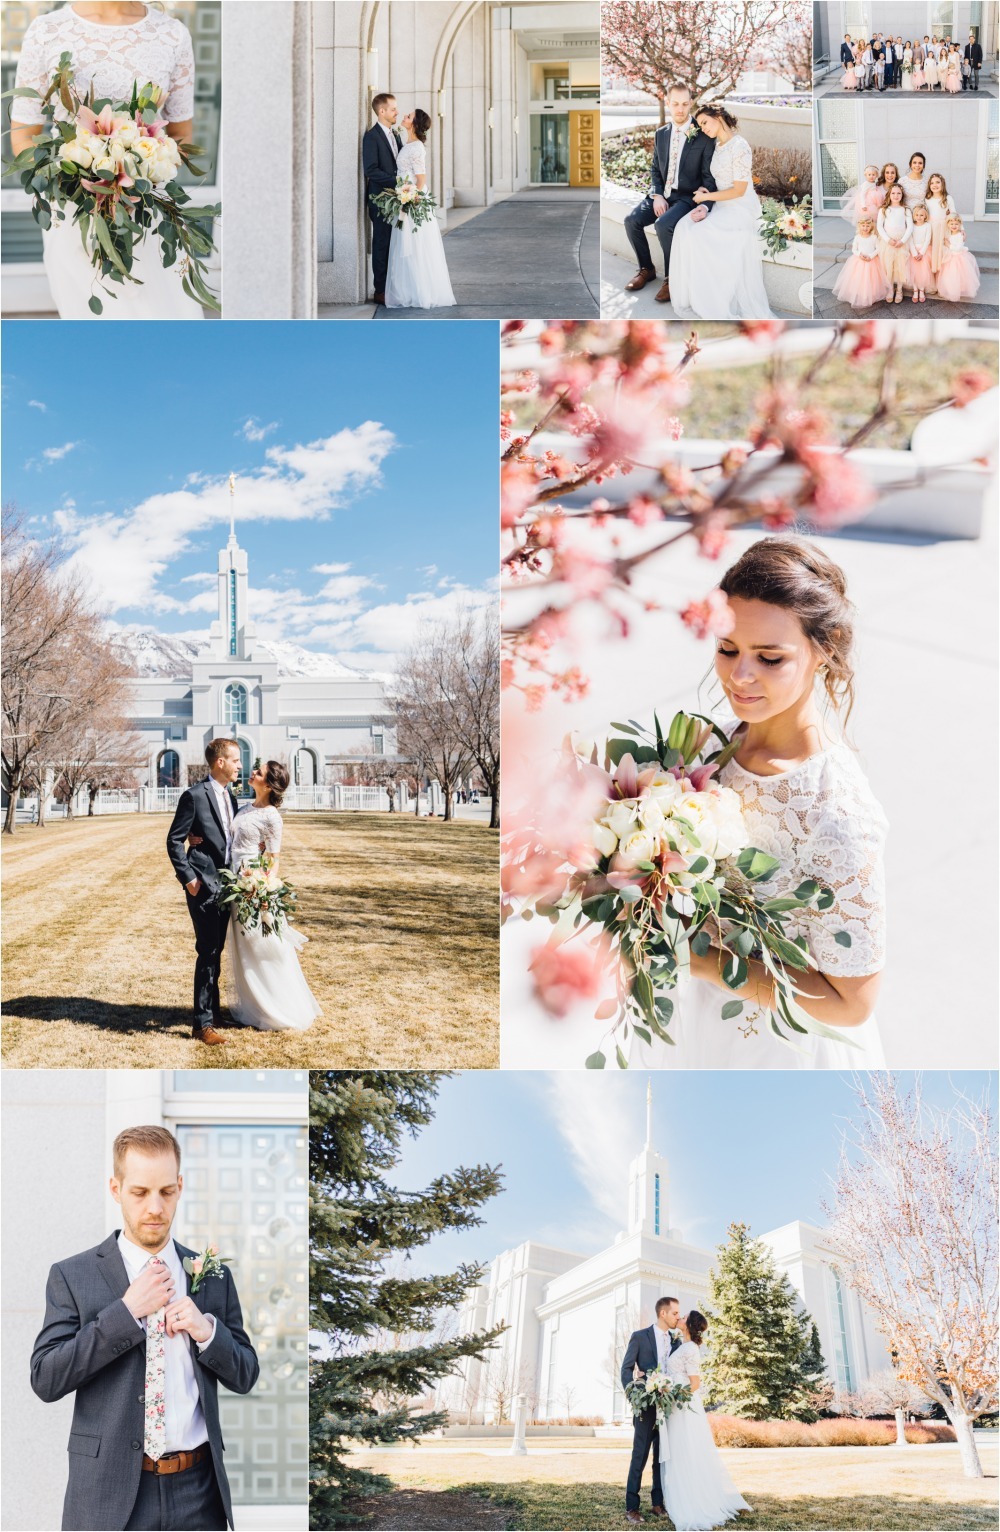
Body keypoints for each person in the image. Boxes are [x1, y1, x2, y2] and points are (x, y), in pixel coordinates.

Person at [631, 538, 888, 1071]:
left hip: (772, 1049)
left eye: (770, 658)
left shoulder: (838, 812)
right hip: (682, 1018)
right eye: (727, 650)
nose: (739, 676)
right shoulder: (704, 746)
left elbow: (853, 1004)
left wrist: (707, 962)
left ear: (827, 647)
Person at [30, 1125, 258, 1531]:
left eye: (166, 1192)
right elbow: (46, 1378)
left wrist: (207, 1332)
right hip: (109, 1495)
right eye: (139, 1192)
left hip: (198, 1493)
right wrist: (126, 1312)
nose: (155, 1207)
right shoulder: (72, 1275)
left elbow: (245, 1374)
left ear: (180, 1187)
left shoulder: (212, 1276)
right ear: (116, 1189)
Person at [9, 1, 203, 320]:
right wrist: (81, 183)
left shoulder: (172, 34)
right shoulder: (47, 31)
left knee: (167, 317)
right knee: (93, 324)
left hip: (148, 211)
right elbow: (23, 138)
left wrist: (137, 175)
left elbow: (181, 137)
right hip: (77, 212)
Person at [220, 760, 322, 1031]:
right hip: (236, 883)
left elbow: (274, 857)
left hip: (254, 886)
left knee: (263, 946)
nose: (252, 772)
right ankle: (254, 1005)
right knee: (244, 947)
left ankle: (278, 1007)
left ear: (268, 784)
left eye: (259, 772)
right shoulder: (244, 808)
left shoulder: (272, 816)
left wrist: (262, 886)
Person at [166, 739, 242, 1046]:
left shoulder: (230, 796)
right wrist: (189, 879)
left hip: (227, 886)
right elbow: (174, 841)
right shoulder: (194, 796)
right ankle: (202, 1024)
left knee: (216, 950)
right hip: (203, 886)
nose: (240, 765)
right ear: (220, 762)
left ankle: (214, 1012)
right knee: (207, 951)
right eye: (235, 760)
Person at [666, 104, 772, 320]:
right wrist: (706, 193)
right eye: (700, 124)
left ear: (719, 117)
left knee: (700, 235)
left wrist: (705, 198)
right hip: (721, 202)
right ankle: (694, 296)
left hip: (740, 207)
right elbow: (718, 182)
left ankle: (714, 299)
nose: (702, 128)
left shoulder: (740, 146)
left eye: (705, 122)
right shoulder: (716, 145)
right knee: (684, 227)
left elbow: (740, 190)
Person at [622, 80, 717, 301]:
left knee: (663, 225)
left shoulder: (702, 136)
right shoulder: (661, 133)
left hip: (686, 197)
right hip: (662, 194)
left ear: (691, 103)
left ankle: (671, 279)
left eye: (685, 104)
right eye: (675, 104)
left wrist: (705, 202)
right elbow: (655, 168)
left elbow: (709, 177)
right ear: (667, 102)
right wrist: (656, 195)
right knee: (631, 220)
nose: (680, 109)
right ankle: (646, 269)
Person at [661, 1312, 753, 1531]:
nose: (679, 1318)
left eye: (683, 1317)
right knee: (679, 1451)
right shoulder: (681, 1345)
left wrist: (673, 1394)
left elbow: (694, 1383)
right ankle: (682, 1495)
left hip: (683, 1407)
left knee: (686, 1451)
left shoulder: (690, 1348)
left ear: (690, 1325)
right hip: (675, 1407)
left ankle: (693, 1502)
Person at [384, 108, 455, 309]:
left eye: (409, 116)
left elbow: (421, 179)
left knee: (415, 245)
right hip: (404, 196)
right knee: (405, 245)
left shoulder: (416, 148)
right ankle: (407, 290)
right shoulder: (406, 143)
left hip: (412, 200)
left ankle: (419, 291)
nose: (404, 117)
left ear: (414, 123)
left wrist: (409, 198)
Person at [622, 1296, 681, 1524]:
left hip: (668, 1409)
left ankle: (658, 1504)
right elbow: (626, 1369)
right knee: (640, 1456)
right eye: (675, 1313)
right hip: (645, 1407)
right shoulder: (639, 1337)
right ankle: (632, 1508)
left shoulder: (675, 1342)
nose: (678, 1317)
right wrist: (634, 1396)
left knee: (662, 1458)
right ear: (663, 1313)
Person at [362, 91, 402, 305]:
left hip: (397, 200)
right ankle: (380, 290)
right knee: (381, 244)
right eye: (393, 108)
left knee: (396, 245)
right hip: (380, 201)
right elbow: (371, 170)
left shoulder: (395, 134)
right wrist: (397, 180)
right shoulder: (371, 137)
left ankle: (393, 286)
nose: (397, 112)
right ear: (382, 111)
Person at [832, 216, 884, 309]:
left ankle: (869, 295)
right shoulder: (857, 237)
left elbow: (878, 248)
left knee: (870, 279)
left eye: (867, 226)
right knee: (859, 278)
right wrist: (859, 254)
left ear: (871, 227)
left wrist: (871, 256)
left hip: (871, 261)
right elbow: (854, 249)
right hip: (859, 261)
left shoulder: (874, 237)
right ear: (859, 226)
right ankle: (860, 293)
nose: (865, 228)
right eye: (863, 225)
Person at [878, 184, 913, 304]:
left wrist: (902, 241)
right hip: (888, 243)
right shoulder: (884, 209)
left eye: (898, 193)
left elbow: (910, 227)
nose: (896, 195)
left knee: (901, 266)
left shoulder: (906, 209)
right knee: (889, 266)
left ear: (902, 195)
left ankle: (899, 289)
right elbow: (879, 227)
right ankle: (890, 289)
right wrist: (888, 240)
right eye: (893, 193)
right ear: (889, 194)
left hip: (901, 242)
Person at [936, 216, 981, 301]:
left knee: (960, 275)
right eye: (951, 224)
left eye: (956, 224)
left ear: (960, 225)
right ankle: (951, 289)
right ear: (948, 225)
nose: (954, 226)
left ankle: (959, 290)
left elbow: (958, 248)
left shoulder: (960, 235)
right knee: (950, 276)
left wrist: (948, 245)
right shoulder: (948, 234)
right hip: (950, 257)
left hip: (958, 257)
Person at [925, 173, 957, 273]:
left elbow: (954, 214)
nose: (935, 185)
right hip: (930, 228)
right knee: (931, 251)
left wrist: (962, 230)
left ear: (942, 184)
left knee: (942, 251)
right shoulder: (927, 199)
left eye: (937, 182)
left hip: (943, 228)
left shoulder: (948, 198)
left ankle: (942, 275)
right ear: (929, 186)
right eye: (932, 183)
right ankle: (932, 274)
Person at [908, 204, 933, 303]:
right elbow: (910, 239)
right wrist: (914, 253)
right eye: (917, 215)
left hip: (924, 252)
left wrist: (921, 253)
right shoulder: (912, 226)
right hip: (913, 252)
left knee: (923, 273)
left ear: (925, 216)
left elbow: (928, 239)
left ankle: (921, 290)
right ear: (914, 216)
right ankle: (915, 290)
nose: (919, 217)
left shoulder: (927, 226)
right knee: (913, 273)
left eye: (921, 215)